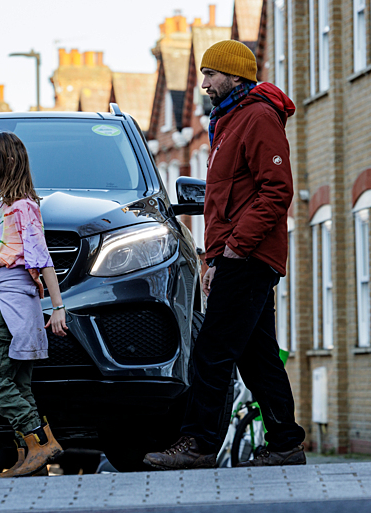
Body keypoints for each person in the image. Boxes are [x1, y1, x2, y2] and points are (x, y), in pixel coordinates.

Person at [143, 40, 306, 470]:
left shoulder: (257, 117)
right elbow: (223, 199)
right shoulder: (229, 121)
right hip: (234, 257)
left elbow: (277, 190)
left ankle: (198, 443)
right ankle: (286, 443)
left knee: (212, 351)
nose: (205, 83)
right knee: (257, 358)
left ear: (235, 76)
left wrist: (234, 248)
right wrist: (214, 258)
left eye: (211, 74)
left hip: (250, 257)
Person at [0, 131, 66, 478]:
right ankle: (31, 455)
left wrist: (58, 306)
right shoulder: (7, 207)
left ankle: (39, 442)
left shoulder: (23, 208)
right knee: (19, 383)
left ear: (5, 164)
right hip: (6, 300)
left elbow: (42, 258)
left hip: (13, 306)